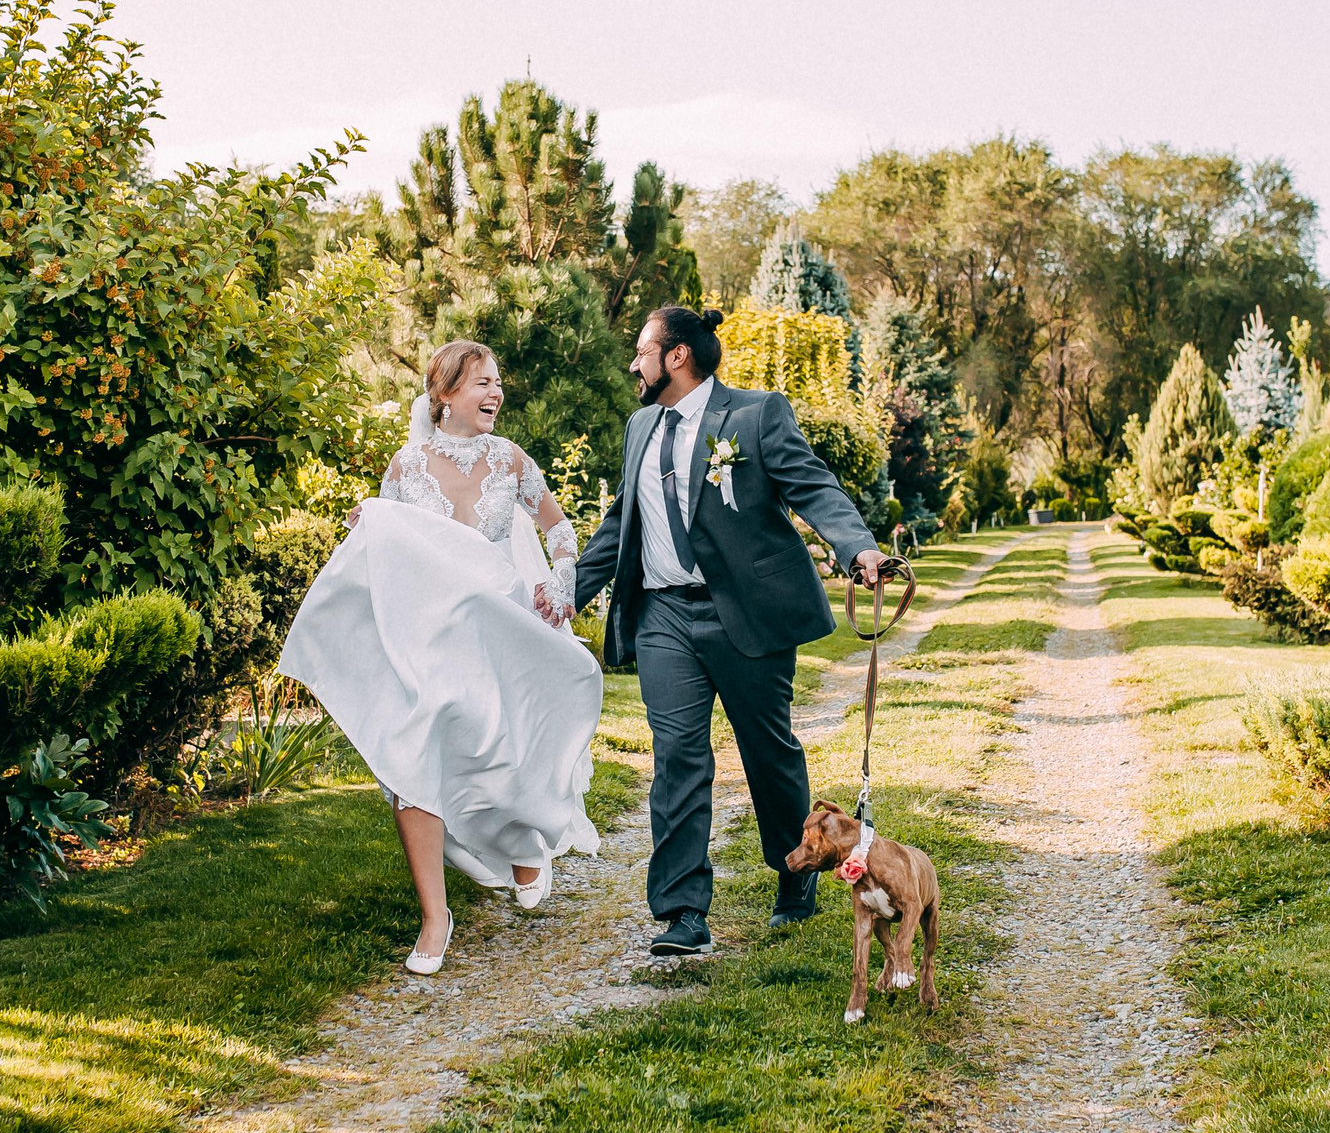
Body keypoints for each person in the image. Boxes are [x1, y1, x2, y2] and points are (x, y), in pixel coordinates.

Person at [279, 340, 602, 975]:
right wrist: (369, 524)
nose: (496, 392)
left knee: (500, 748)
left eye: (497, 381)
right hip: (428, 639)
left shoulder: (511, 460)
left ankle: (525, 846)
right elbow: (387, 550)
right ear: (445, 393)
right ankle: (435, 916)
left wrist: (560, 582)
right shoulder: (405, 467)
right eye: (483, 382)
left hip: (499, 634)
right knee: (412, 761)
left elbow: (559, 530)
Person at [572, 306, 884, 956]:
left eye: (642, 351)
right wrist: (562, 598)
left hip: (746, 611)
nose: (633, 363)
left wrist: (857, 546)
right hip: (664, 617)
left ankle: (795, 870)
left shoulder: (755, 414)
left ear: (677, 356)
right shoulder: (639, 427)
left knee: (768, 753)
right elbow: (621, 522)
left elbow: (813, 486)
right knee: (677, 756)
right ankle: (683, 911)